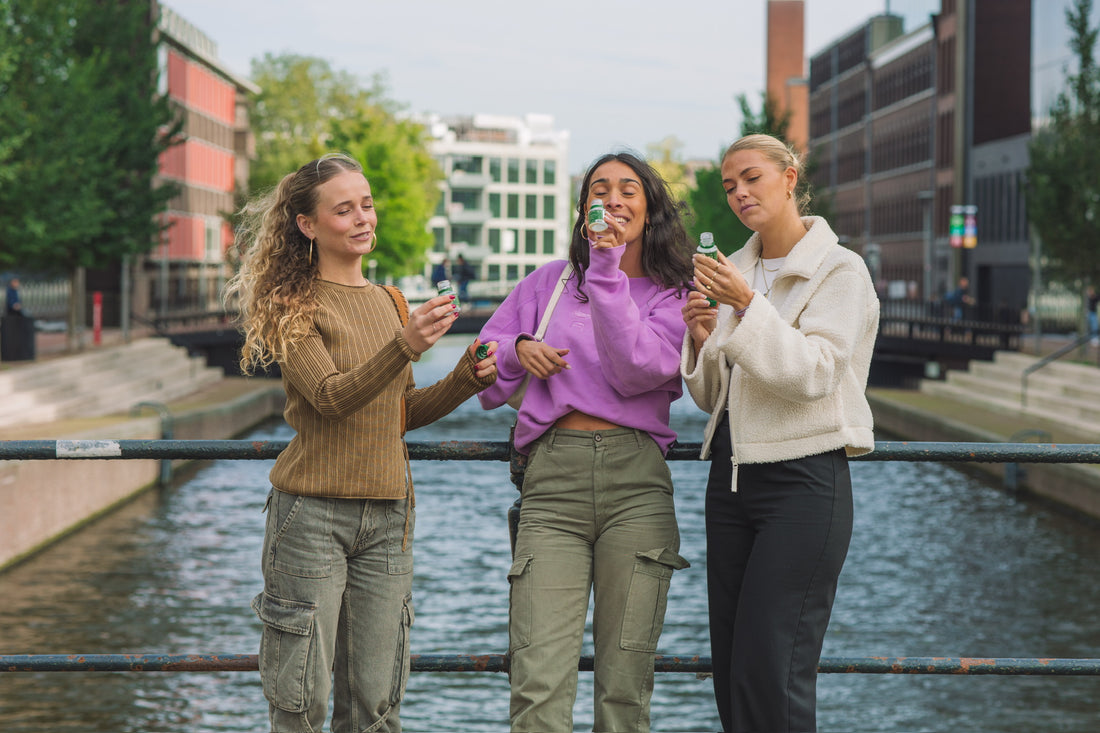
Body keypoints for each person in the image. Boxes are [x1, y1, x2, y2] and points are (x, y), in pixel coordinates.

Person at [223, 152, 499, 733]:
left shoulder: (391, 301)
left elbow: (396, 414)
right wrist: (404, 345)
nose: (362, 218)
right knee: (302, 700)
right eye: (343, 209)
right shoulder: (292, 304)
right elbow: (328, 396)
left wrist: (464, 380)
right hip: (312, 517)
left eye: (366, 205)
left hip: (388, 518)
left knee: (375, 705)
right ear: (307, 224)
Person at [477, 151, 693, 732]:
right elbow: (481, 363)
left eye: (629, 190)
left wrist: (607, 267)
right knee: (538, 682)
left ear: (650, 210)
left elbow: (636, 370)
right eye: (600, 189)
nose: (614, 199)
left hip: (637, 489)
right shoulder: (549, 283)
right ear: (583, 209)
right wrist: (516, 348)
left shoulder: (678, 294)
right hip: (552, 485)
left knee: (624, 691)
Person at [681, 133, 879, 733]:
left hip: (804, 482)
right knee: (733, 669)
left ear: (790, 177)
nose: (739, 193)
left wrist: (747, 307)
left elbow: (817, 374)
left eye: (752, 178)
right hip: (732, 481)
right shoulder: (732, 271)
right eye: (729, 186)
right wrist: (701, 339)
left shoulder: (839, 271)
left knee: (775, 670)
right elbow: (715, 398)